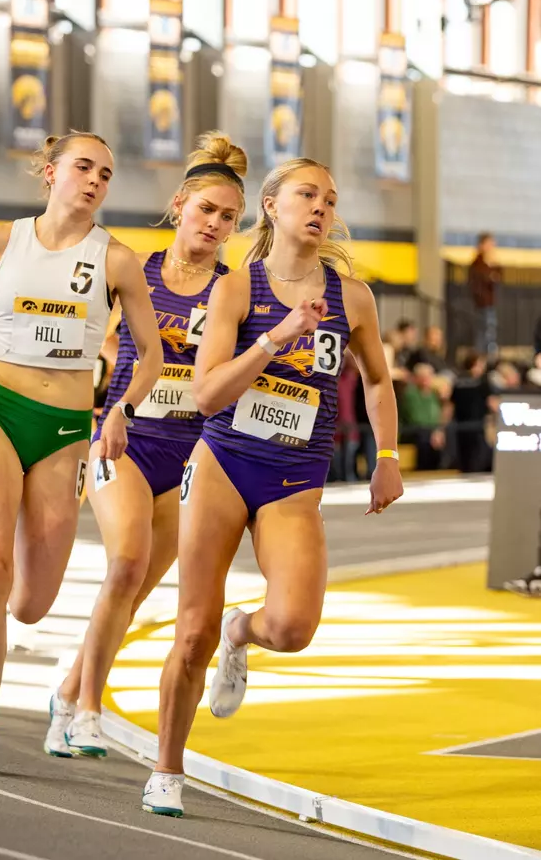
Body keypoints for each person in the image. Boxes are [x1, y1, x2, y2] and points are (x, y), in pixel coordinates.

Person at [140, 157, 403, 818]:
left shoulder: (353, 298)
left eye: (330, 198)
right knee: (191, 629)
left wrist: (388, 454)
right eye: (307, 193)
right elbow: (204, 393)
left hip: (294, 478)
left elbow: (376, 379)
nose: (321, 206)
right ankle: (167, 768)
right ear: (271, 206)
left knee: (290, 626)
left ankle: (242, 631)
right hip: (225, 460)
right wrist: (274, 340)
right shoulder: (235, 289)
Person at [0, 131, 162, 776]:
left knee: (30, 602)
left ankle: (42, 681)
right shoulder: (1, 241)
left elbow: (152, 354)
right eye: (83, 167)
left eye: (105, 174)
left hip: (64, 429)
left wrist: (122, 409)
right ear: (50, 173)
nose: (94, 181)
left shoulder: (118, 260)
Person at [44, 132, 247, 759]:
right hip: (125, 440)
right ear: (181, 203)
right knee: (125, 562)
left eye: (230, 217)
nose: (215, 224)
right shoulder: (135, 267)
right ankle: (86, 710)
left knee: (132, 592)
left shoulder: (235, 290)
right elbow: (88, 334)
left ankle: (66, 694)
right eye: (207, 210)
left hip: (193, 457)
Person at [450, 350, 494, 473]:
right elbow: (491, 402)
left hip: (460, 426)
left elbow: (451, 404)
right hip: (477, 426)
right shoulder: (482, 383)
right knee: (477, 459)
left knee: (464, 458)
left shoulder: (458, 382)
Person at [399, 363, 446, 470]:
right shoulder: (411, 394)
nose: (427, 380)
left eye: (429, 377)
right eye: (423, 377)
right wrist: (433, 432)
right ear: (416, 378)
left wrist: (438, 430)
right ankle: (424, 470)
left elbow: (437, 416)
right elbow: (416, 418)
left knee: (448, 433)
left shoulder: (434, 394)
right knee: (425, 438)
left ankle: (444, 467)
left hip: (431, 431)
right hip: (413, 431)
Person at [468, 233, 501, 358]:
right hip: (483, 303)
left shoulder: (491, 263)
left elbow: (497, 277)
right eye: (489, 244)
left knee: (490, 331)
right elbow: (480, 282)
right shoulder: (478, 264)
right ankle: (482, 357)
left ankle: (489, 356)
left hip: (490, 302)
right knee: (484, 331)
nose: (492, 247)